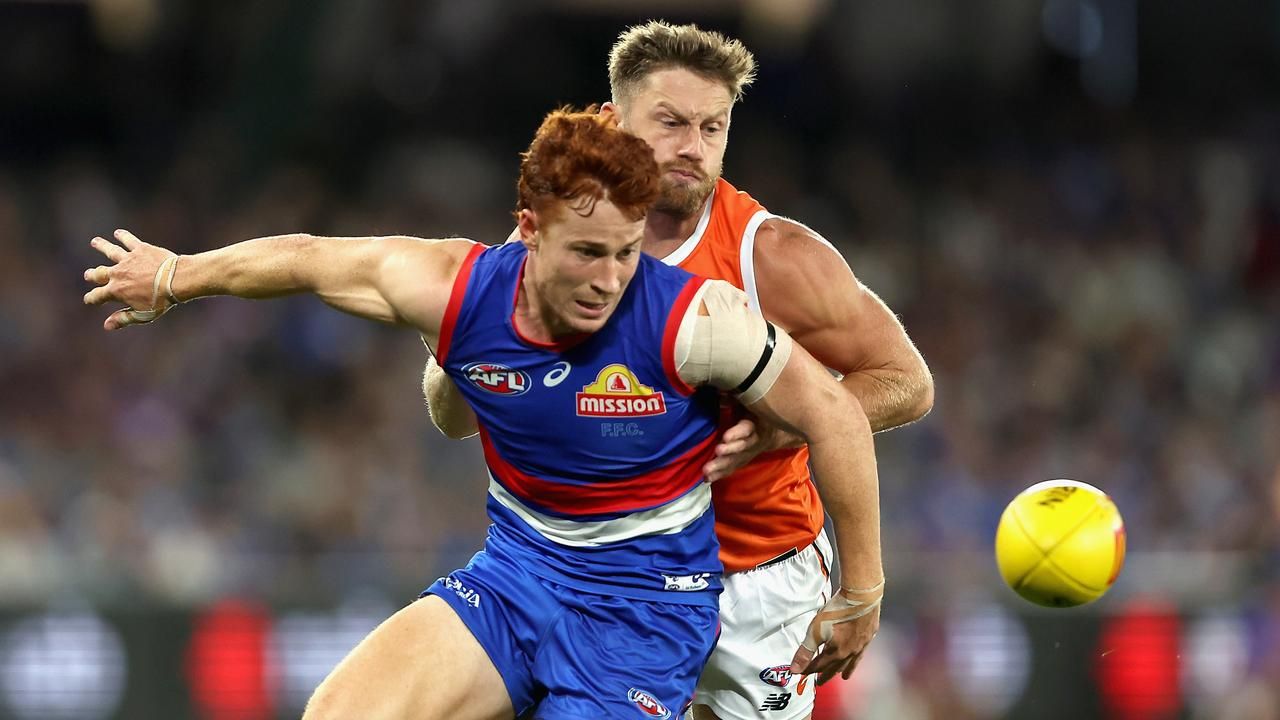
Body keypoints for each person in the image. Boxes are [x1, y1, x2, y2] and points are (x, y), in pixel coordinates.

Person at [82, 109, 885, 720]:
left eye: (625, 252)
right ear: (529, 230)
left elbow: (836, 415)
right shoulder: (455, 287)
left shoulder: (696, 319)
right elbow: (309, 259)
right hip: (518, 578)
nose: (609, 279)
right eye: (586, 251)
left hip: (643, 614)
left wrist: (862, 590)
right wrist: (176, 276)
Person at [422, 22, 933, 720]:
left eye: (711, 128)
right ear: (613, 121)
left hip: (758, 582)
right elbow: (450, 417)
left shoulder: (771, 258)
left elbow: (906, 379)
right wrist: (464, 352)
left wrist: (783, 430)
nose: (693, 147)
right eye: (670, 122)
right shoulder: (552, 244)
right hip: (609, 579)